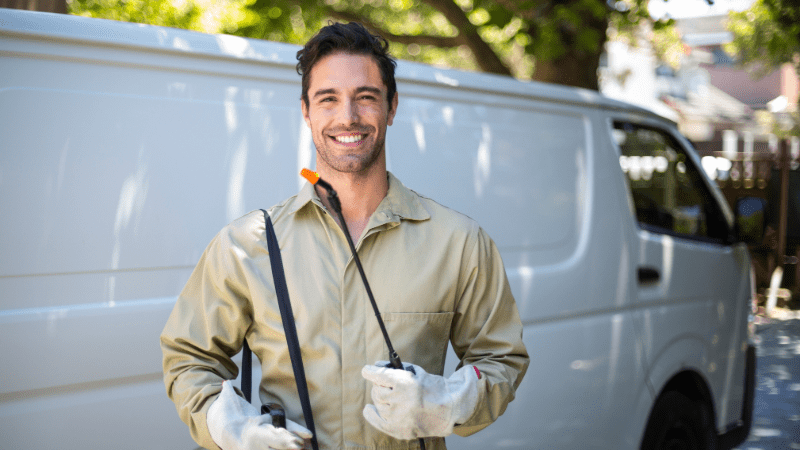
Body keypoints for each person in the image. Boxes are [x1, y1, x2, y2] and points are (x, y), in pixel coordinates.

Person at [160, 21, 529, 450]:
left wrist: (448, 400)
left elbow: (501, 360)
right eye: (328, 99)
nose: (347, 117)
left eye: (366, 97)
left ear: (391, 108)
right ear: (306, 112)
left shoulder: (461, 242)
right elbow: (189, 359)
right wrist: (229, 427)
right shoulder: (246, 245)